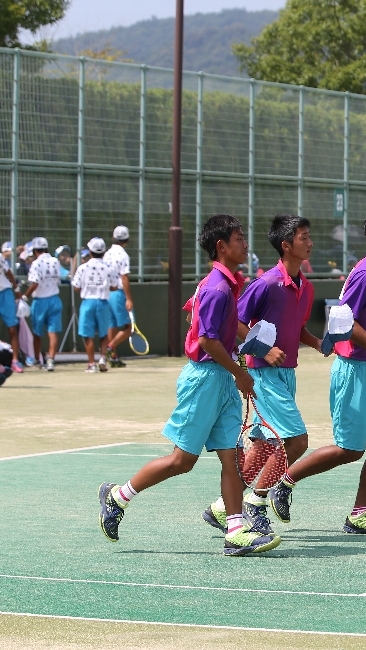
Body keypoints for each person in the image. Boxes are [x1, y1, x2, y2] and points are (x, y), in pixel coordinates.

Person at [98, 214, 280, 556]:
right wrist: (240, 372)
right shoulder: (217, 287)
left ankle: (236, 532)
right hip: (205, 379)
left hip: (222, 378)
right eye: (239, 238)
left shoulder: (224, 283)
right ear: (221, 246)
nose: (245, 243)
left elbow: (192, 318)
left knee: (233, 458)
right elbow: (208, 340)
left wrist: (240, 354)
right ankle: (117, 497)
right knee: (182, 461)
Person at [267, 206, 366, 536]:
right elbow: (344, 322)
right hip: (354, 370)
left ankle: (360, 514)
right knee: (350, 449)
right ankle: (285, 482)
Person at [203, 215, 323, 536]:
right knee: (296, 441)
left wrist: (317, 343)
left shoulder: (305, 288)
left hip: (287, 375)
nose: (310, 243)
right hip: (263, 374)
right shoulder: (265, 283)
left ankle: (221, 508)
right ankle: (256, 503)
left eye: (309, 237)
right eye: (303, 237)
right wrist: (263, 349)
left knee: (264, 449)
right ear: (286, 246)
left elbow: (296, 328)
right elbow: (236, 323)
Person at [71, 238, 117, 373]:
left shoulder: (83, 267)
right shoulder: (109, 268)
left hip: (87, 302)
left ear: (90, 251)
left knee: (87, 335)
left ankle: (91, 364)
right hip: (103, 302)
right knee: (103, 333)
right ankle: (102, 359)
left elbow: (76, 287)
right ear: (103, 252)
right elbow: (114, 286)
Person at [23, 238, 63, 372]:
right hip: (55, 299)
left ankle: (36, 359)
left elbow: (35, 283)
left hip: (40, 301)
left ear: (35, 251)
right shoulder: (55, 261)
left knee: (37, 333)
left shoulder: (36, 263)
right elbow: (57, 280)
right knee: (53, 332)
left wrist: (24, 296)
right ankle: (51, 360)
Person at [104, 225, 134, 368]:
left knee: (112, 326)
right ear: (126, 240)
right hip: (118, 294)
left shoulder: (107, 254)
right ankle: (110, 347)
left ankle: (113, 357)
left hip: (107, 293)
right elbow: (124, 278)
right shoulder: (123, 255)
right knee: (128, 328)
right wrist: (128, 298)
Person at [0, 243, 22, 373]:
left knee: (12, 329)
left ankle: (15, 360)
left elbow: (9, 273)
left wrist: (17, 289)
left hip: (5, 293)